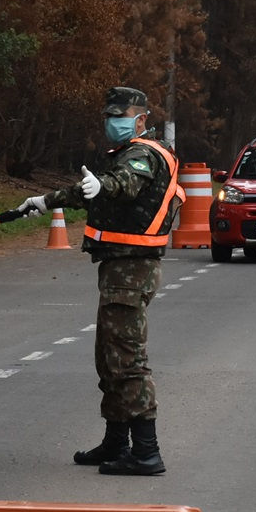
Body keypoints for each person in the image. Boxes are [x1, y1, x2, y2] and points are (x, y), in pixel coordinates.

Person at [19, 86, 185, 475]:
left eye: (119, 116)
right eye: (108, 116)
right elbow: (95, 190)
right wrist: (46, 201)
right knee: (109, 358)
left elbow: (124, 184)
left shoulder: (143, 154)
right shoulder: (127, 152)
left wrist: (103, 185)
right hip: (117, 269)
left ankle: (146, 451)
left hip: (133, 269)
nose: (112, 123)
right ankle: (115, 442)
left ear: (141, 119)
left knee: (127, 360)